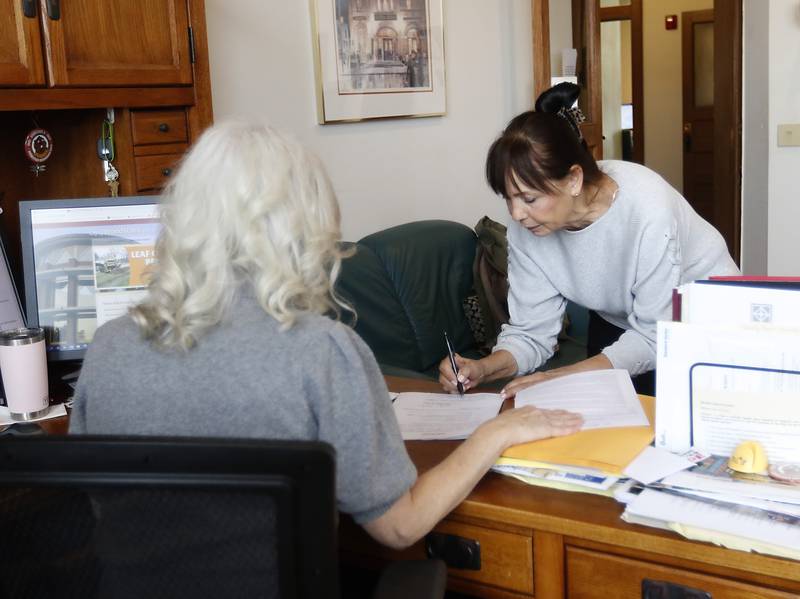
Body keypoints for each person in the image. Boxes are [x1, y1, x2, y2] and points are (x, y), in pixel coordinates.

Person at [69, 121, 583, 551]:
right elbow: (400, 526)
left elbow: (93, 507)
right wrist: (494, 433)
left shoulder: (110, 347)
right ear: (304, 223)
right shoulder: (320, 350)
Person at [439, 82, 739, 399]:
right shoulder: (528, 228)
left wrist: (559, 377)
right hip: (621, 319)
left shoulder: (648, 209)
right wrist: (483, 368)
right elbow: (532, 332)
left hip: (705, 318)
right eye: (508, 198)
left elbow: (655, 335)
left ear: (573, 180)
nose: (516, 214)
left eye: (529, 198)